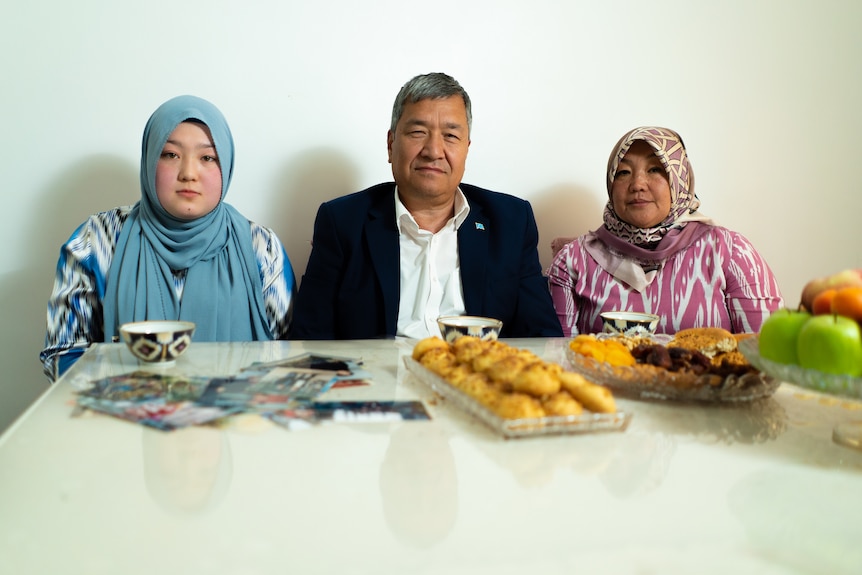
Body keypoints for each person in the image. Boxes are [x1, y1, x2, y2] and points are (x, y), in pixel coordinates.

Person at [41, 95, 295, 380]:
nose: (188, 173)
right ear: (150, 159)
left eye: (207, 157)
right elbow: (63, 353)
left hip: (234, 417)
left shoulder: (261, 247)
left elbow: (285, 356)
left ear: (226, 165)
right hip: (120, 417)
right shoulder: (97, 241)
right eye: (170, 154)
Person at [290, 72, 562, 340]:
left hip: (473, 379)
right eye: (418, 132)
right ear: (390, 144)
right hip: (379, 380)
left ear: (466, 148)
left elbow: (541, 336)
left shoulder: (511, 221)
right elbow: (310, 340)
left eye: (450, 136)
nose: (433, 150)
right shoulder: (342, 222)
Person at [548, 126, 783, 336]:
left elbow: (767, 355)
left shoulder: (729, 252)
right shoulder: (574, 259)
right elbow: (559, 358)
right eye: (623, 172)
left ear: (679, 180)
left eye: (655, 169)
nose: (638, 184)